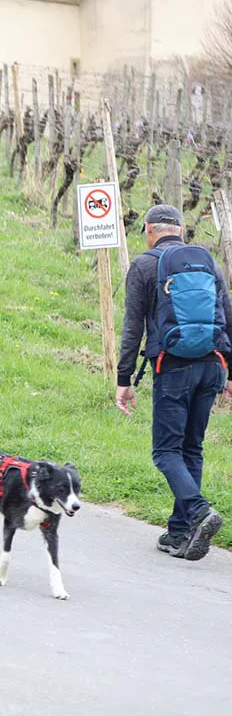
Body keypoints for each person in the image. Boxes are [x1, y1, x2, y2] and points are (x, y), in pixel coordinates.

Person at [116, 204, 230, 560]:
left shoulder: (144, 265)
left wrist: (124, 378)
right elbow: (228, 315)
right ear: (181, 230)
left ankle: (198, 511)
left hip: (174, 366)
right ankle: (180, 532)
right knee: (192, 448)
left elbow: (133, 327)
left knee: (166, 451)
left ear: (149, 229)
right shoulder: (209, 263)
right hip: (212, 365)